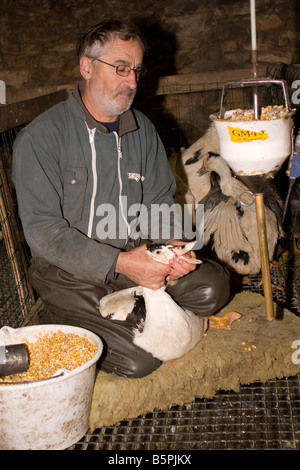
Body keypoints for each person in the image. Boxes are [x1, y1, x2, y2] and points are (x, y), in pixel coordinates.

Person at [12, 19, 230, 378]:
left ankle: (131, 312)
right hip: (67, 273)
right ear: (86, 67)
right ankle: (64, 314)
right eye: (120, 68)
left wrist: (171, 247)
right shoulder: (41, 139)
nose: (131, 82)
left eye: (136, 71)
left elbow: (160, 197)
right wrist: (122, 263)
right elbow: (44, 232)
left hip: (137, 254)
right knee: (138, 360)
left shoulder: (142, 130)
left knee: (212, 288)